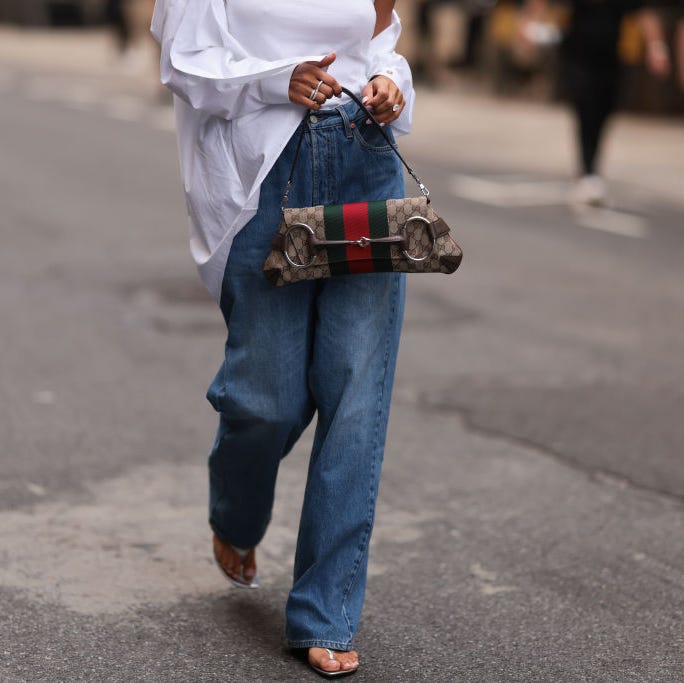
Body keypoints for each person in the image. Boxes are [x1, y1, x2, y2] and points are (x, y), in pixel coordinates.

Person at [151, 0, 414, 677]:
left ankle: (327, 612)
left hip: (363, 163)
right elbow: (184, 65)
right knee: (265, 398)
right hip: (266, 180)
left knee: (356, 393)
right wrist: (279, 81)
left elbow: (383, 42)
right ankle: (235, 513)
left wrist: (392, 85)